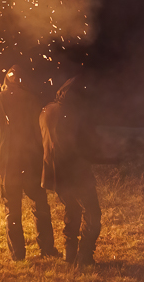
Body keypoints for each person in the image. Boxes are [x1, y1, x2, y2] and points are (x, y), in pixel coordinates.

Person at [0, 65, 58, 262]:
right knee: (40, 206)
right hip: (29, 162)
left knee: (11, 211)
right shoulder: (31, 100)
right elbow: (40, 130)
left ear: (5, 81)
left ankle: (17, 255)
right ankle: (47, 249)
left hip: (6, 166)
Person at [40, 76, 102, 268]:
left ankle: (69, 254)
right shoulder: (74, 115)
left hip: (55, 174)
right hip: (75, 173)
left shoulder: (46, 110)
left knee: (72, 208)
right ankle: (84, 256)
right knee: (93, 213)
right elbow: (84, 145)